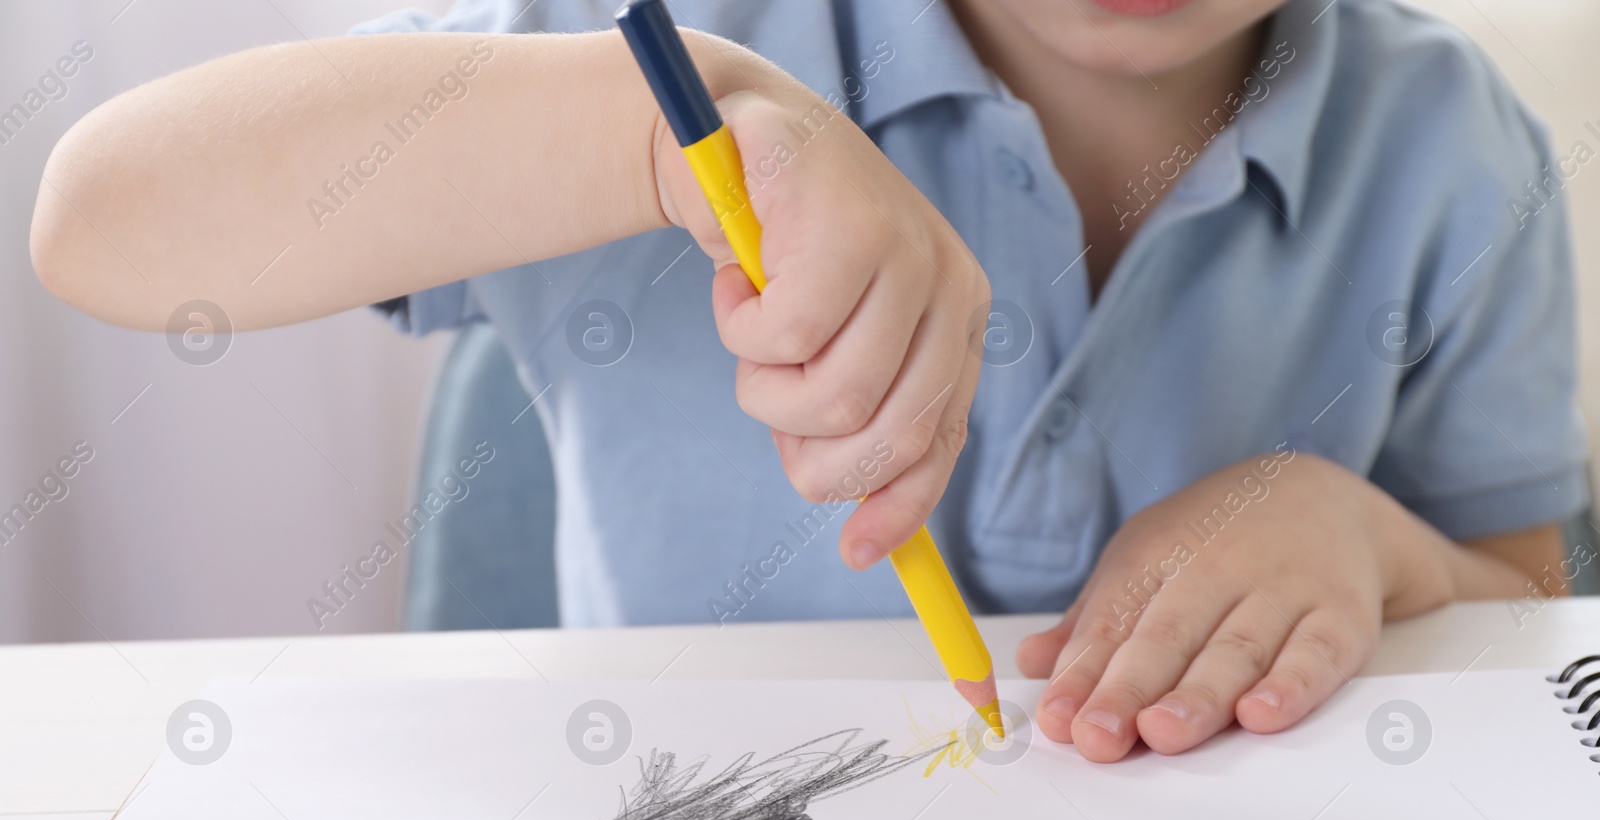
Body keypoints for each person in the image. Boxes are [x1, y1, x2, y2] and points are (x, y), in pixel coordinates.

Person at [30, 0, 1588, 762]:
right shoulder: (673, 47)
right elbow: (100, 215)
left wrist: (1364, 538)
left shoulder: (1460, 157)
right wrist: (655, 135)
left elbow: (1523, 613)